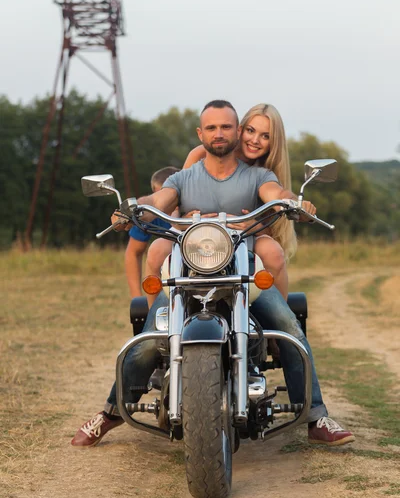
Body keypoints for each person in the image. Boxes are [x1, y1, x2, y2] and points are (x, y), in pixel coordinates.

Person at [71, 100, 354, 448]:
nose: (219, 133)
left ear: (236, 132)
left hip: (244, 277)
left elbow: (275, 193)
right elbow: (159, 198)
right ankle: (112, 411)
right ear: (200, 133)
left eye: (226, 127)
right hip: (186, 277)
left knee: (290, 328)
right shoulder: (184, 177)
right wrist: (130, 208)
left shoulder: (258, 176)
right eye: (212, 127)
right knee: (147, 343)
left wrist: (293, 201)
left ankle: (315, 416)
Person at [145, 104, 294, 302]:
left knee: (273, 252)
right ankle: (156, 321)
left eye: (265, 136)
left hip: (242, 236)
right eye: (251, 131)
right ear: (240, 130)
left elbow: (272, 218)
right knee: (157, 250)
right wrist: (179, 222)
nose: (255, 140)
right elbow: (179, 197)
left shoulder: (263, 174)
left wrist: (260, 221)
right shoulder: (202, 154)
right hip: (193, 231)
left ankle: (282, 320)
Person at [125, 166, 179, 298]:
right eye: (162, 194)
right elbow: (133, 252)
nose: (167, 201)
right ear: (154, 193)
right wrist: (137, 296)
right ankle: (152, 312)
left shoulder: (193, 209)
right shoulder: (149, 214)